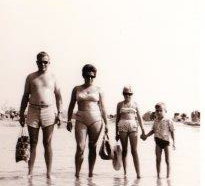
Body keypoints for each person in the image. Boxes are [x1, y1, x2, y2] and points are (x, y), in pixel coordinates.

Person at [19, 51, 63, 179]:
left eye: (45, 62)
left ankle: (49, 174)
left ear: (49, 63)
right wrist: (21, 114)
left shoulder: (53, 77)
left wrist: (59, 113)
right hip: (32, 110)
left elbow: (59, 96)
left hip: (49, 111)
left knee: (47, 143)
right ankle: (30, 173)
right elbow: (25, 96)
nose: (42, 64)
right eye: (40, 62)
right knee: (33, 142)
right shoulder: (30, 77)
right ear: (36, 62)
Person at [66, 64, 108, 178]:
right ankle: (77, 175)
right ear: (83, 75)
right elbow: (71, 105)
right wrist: (69, 120)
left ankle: (90, 174)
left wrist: (107, 123)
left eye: (92, 76)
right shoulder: (76, 89)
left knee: (92, 146)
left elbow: (103, 108)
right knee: (80, 147)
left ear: (94, 76)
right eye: (87, 76)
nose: (89, 78)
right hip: (80, 119)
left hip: (96, 120)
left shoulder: (99, 90)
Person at [115, 86, 145, 178]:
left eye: (130, 94)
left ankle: (138, 174)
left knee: (134, 151)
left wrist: (143, 130)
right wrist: (116, 133)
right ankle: (125, 173)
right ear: (123, 94)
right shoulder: (119, 104)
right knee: (124, 150)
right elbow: (117, 118)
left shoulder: (135, 104)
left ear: (132, 94)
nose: (128, 95)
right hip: (122, 127)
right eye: (126, 93)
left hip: (133, 127)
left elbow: (140, 118)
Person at [142, 102, 175, 178]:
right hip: (158, 142)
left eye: (161, 110)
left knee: (167, 160)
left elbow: (172, 131)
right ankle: (158, 175)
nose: (159, 112)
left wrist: (174, 142)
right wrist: (146, 135)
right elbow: (153, 130)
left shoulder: (168, 120)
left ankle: (168, 176)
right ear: (155, 112)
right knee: (158, 160)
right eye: (157, 111)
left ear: (165, 111)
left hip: (167, 142)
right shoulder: (155, 120)